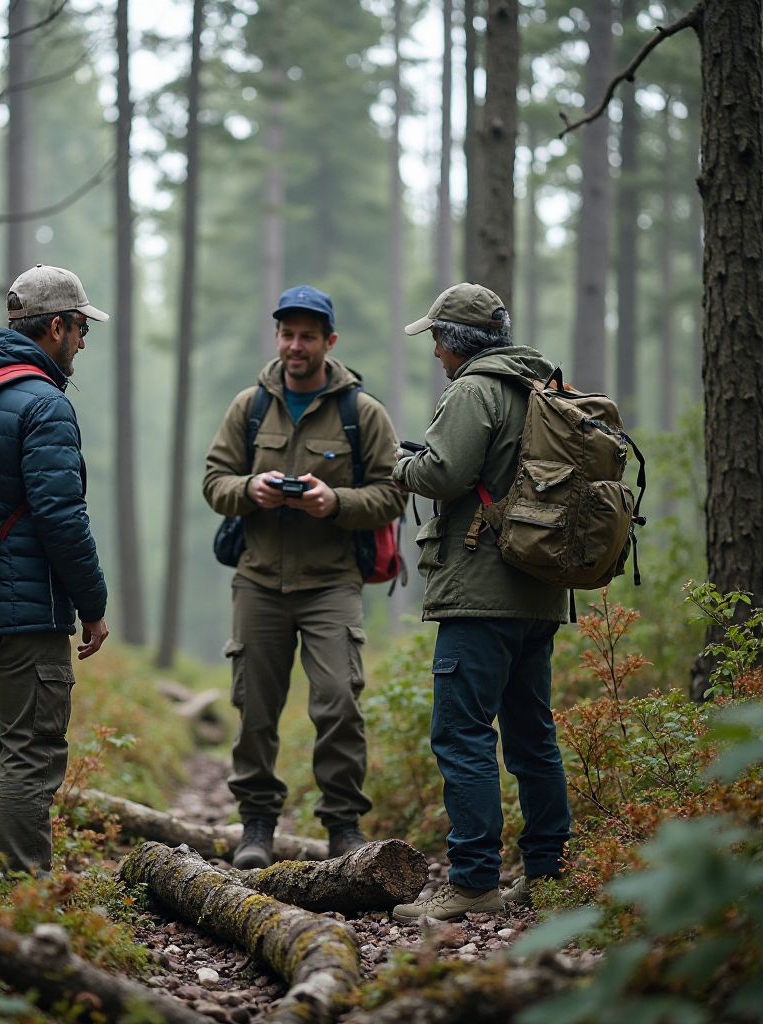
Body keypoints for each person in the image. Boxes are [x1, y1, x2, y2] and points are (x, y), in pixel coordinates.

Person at [203, 284, 405, 868]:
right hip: (258, 580)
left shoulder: (360, 413)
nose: (296, 345)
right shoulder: (249, 407)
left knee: (339, 701)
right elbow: (214, 481)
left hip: (332, 583)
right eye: (287, 334)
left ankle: (343, 826)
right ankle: (257, 827)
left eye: (308, 336)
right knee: (256, 710)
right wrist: (251, 490)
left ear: (329, 341)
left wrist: (334, 503)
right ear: (277, 337)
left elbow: (394, 493)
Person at [389, 283, 570, 924]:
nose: (434, 350)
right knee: (532, 736)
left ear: (453, 341)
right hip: (541, 590)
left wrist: (398, 466)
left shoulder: (473, 390)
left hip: (480, 592)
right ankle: (549, 873)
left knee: (462, 734)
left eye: (435, 338)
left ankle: (472, 883)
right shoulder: (539, 386)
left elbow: (442, 476)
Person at [0, 264, 111, 899]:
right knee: (29, 754)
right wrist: (93, 603)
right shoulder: (45, 403)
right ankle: (22, 904)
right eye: (81, 329)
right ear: (56, 327)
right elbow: (62, 518)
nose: (84, 342)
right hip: (25, 616)